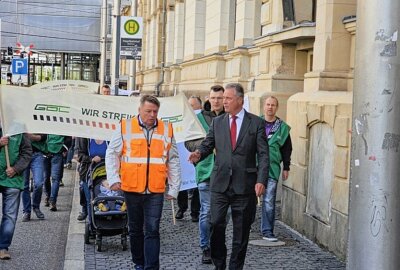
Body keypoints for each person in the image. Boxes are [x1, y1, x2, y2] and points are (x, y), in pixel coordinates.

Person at [189, 83, 269, 270]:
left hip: (245, 185)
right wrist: (199, 153)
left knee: (241, 232)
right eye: (223, 98)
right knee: (215, 224)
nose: (224, 102)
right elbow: (208, 144)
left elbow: (264, 155)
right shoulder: (218, 122)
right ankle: (219, 263)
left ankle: (235, 267)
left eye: (228, 98)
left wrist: (261, 180)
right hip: (220, 184)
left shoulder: (256, 123)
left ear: (240, 100)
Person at [106, 94, 181, 270]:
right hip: (132, 188)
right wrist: (114, 178)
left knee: (153, 229)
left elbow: (174, 159)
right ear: (139, 110)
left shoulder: (167, 129)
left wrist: (174, 187)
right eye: (148, 111)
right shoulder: (125, 127)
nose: (152, 115)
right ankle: (138, 262)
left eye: (155, 111)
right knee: (135, 229)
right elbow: (112, 154)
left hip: (155, 190)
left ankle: (151, 267)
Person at [185, 85, 225, 264]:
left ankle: (217, 244)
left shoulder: (230, 117)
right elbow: (188, 142)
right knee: (207, 212)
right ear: (209, 99)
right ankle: (206, 247)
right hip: (206, 171)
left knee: (223, 215)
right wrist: (207, 146)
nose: (216, 101)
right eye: (214, 98)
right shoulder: (198, 118)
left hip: (226, 174)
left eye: (220, 98)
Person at [260, 96, 292, 242]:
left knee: (268, 200)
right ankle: (244, 228)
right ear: (264, 106)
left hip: (272, 168)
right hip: (254, 166)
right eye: (268, 104)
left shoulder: (282, 127)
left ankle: (267, 231)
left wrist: (286, 166)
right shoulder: (256, 123)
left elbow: (287, 148)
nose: (270, 107)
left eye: (273, 105)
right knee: (246, 199)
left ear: (277, 107)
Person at [0, 129, 32, 260]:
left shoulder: (18, 127)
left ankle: (2, 247)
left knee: (10, 215)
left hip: (12, 178)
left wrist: (15, 169)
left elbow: (27, 152)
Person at [175, 95, 202, 222]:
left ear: (199, 106)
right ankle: (182, 207)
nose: (189, 108)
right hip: (183, 152)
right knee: (183, 182)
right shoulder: (182, 118)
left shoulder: (203, 119)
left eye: (192, 105)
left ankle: (195, 211)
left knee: (196, 184)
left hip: (198, 153)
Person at [76, 138, 109, 221]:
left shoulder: (108, 138)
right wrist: (91, 159)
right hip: (88, 172)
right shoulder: (85, 138)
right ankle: (91, 221)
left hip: (106, 173)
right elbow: (80, 156)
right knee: (90, 199)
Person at [21, 134, 47, 221]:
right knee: (24, 185)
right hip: (22, 156)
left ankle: (36, 206)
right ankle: (26, 211)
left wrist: (32, 137)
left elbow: (44, 136)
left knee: (39, 183)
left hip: (37, 155)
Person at [43, 135, 71, 211]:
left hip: (57, 153)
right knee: (45, 177)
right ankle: (48, 196)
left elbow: (68, 136)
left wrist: (63, 148)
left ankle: (53, 201)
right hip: (45, 153)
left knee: (55, 179)